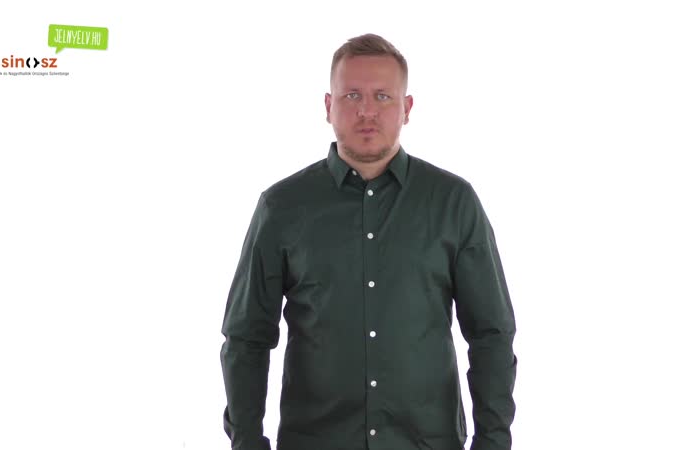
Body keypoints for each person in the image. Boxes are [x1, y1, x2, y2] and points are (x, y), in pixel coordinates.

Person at [220, 33, 517, 450]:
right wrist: (247, 442)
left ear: (407, 108)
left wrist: (493, 442)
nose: (366, 111)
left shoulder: (454, 202)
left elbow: (491, 334)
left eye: (382, 96)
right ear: (328, 105)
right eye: (352, 95)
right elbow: (246, 338)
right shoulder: (281, 207)